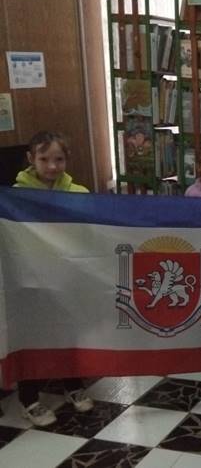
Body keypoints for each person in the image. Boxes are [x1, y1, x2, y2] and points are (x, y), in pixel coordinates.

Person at [13, 131, 94, 426]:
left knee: (66, 334)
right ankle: (29, 398)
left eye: (58, 159)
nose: (51, 166)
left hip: (65, 279)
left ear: (67, 160)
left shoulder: (79, 193)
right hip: (29, 282)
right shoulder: (16, 197)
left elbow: (91, 234)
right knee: (30, 338)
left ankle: (73, 385)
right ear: (31, 159)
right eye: (44, 159)